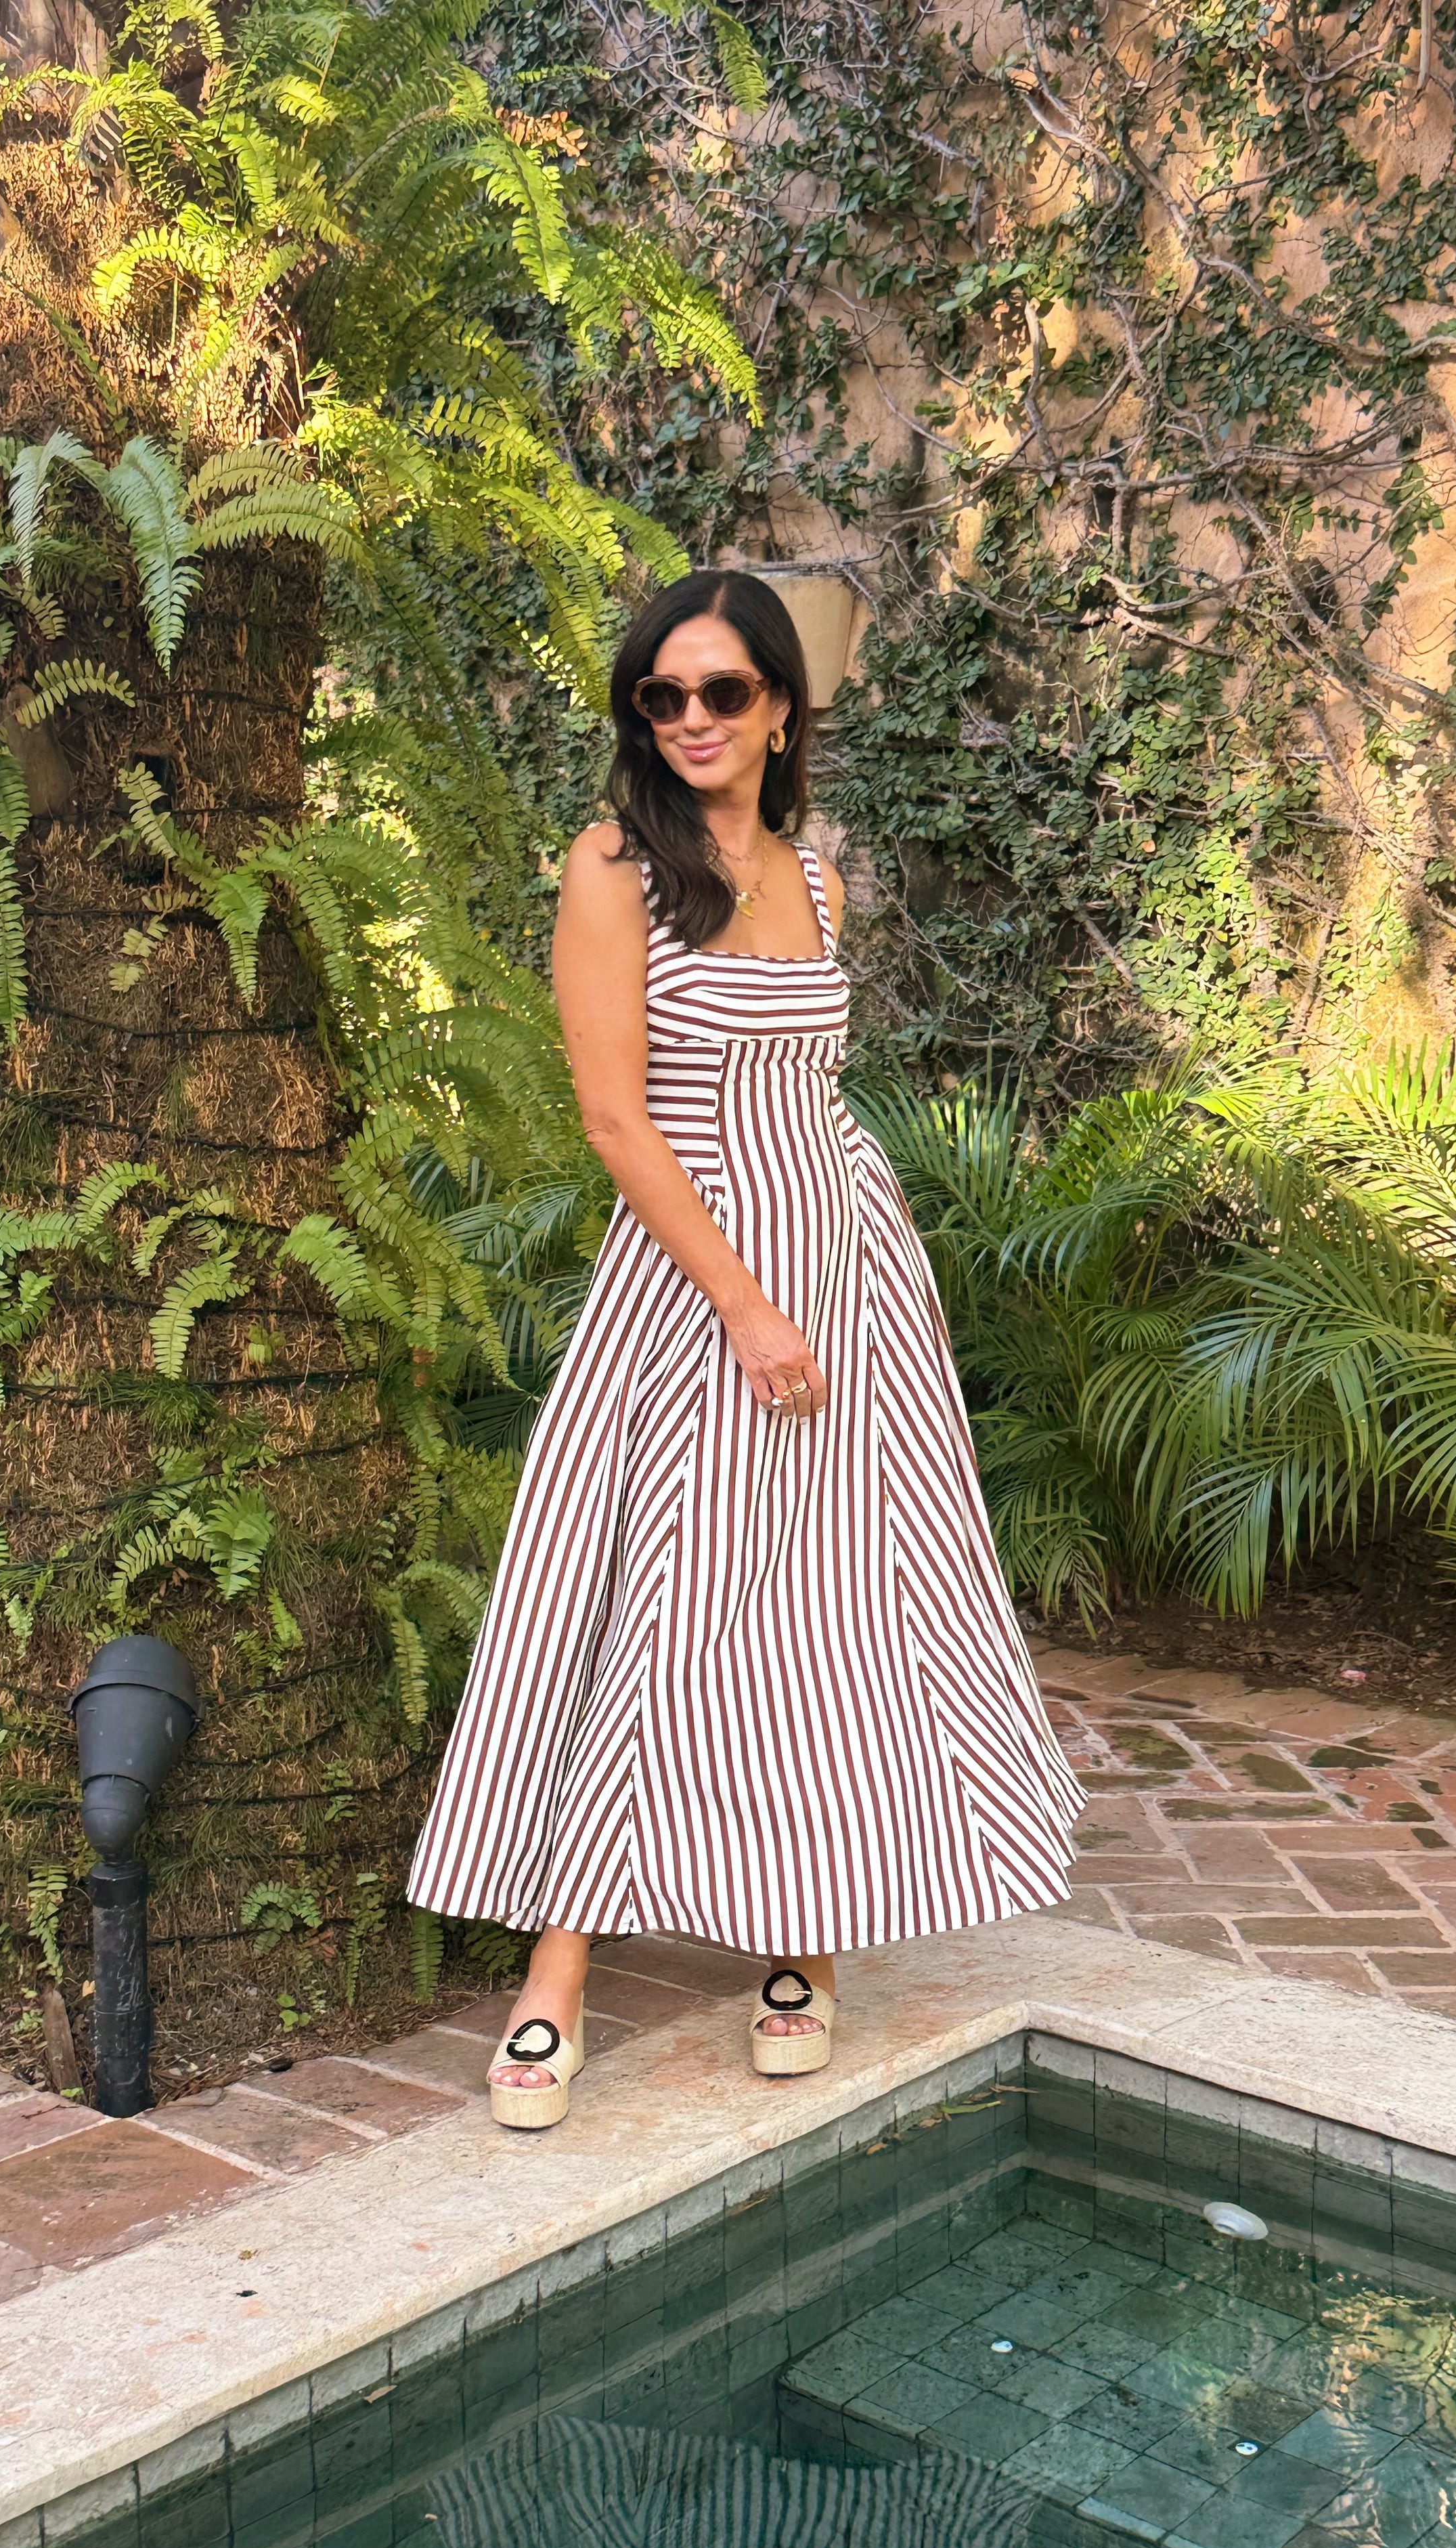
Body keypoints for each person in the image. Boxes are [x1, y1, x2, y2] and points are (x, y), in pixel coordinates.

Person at [404, 568, 1082, 2128]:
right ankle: (553, 1982)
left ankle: (802, 1937)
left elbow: (818, 1097)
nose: (691, 719)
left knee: (831, 1605)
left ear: (781, 709)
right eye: (663, 695)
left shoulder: (816, 871)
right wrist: (743, 1301)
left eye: (722, 692)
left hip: (849, 1271)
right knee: (653, 1602)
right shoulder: (611, 868)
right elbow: (613, 1120)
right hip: (698, 1288)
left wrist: (833, 1287)